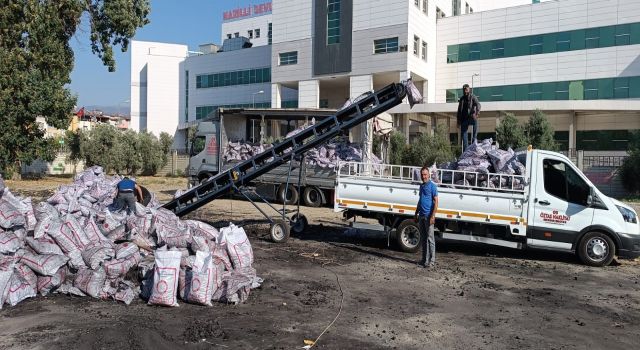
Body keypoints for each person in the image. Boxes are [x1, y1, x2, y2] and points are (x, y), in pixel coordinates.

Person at [415, 166, 439, 268]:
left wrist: (433, 216)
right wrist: (416, 213)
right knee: (424, 239)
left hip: (429, 216)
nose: (423, 176)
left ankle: (432, 261)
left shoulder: (433, 186)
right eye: (422, 175)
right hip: (421, 216)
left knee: (430, 239)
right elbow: (420, 200)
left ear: (429, 175)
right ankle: (424, 260)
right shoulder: (421, 186)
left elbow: (436, 202)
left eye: (425, 174)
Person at [456, 83, 481, 151]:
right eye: (464, 90)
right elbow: (459, 111)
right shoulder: (461, 99)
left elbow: (478, 104)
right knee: (464, 135)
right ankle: (465, 150)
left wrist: (477, 113)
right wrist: (458, 122)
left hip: (471, 117)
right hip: (464, 119)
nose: (465, 91)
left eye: (466, 90)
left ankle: (474, 140)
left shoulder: (473, 97)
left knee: (475, 121)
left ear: (469, 89)